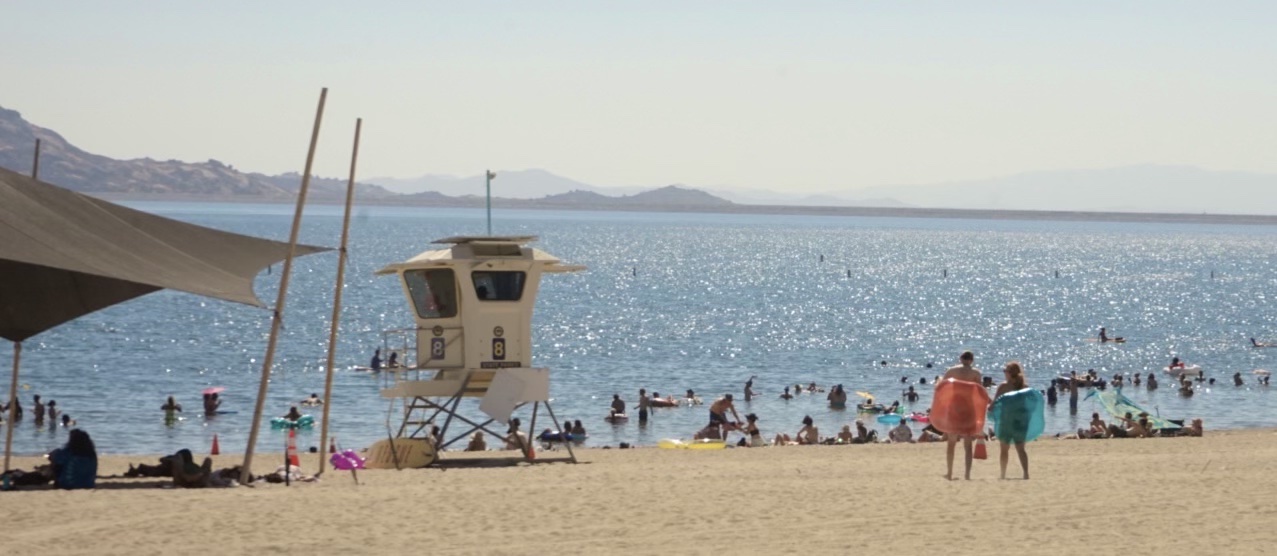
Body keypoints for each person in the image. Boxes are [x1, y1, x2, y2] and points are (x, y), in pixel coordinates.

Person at [939, 351, 983, 480]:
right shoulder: (976, 373)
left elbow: (942, 386)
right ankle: (967, 475)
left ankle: (950, 473)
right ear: (972, 360)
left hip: (955, 407)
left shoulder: (952, 370)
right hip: (969, 408)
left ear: (960, 359)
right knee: (968, 444)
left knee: (951, 443)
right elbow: (979, 391)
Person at [992, 362, 1031, 480]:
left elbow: (994, 404)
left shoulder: (1003, 387)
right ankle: (1026, 474)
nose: (1004, 373)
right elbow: (1029, 406)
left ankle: (1003, 474)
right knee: (1021, 449)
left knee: (1004, 449)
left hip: (1006, 421)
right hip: (1020, 422)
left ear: (1010, 373)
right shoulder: (1025, 387)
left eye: (1005, 371)